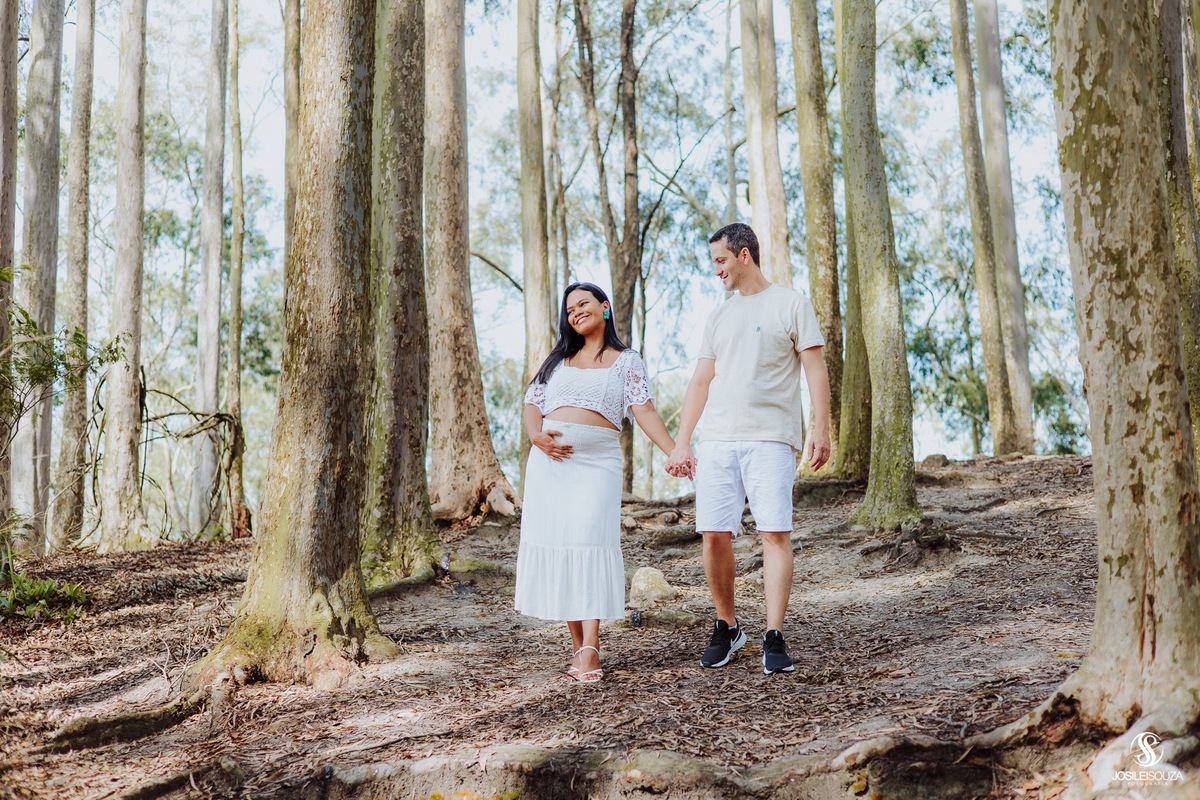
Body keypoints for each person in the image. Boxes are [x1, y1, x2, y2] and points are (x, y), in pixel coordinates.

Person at [666, 222, 831, 675]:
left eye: (720, 260)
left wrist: (822, 427)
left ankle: (773, 636)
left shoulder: (791, 303)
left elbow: (815, 369)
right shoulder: (719, 316)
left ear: (744, 255)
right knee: (714, 533)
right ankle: (728, 626)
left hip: (771, 437)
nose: (716, 270)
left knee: (774, 533)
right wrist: (683, 440)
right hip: (718, 439)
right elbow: (701, 381)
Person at [516, 282, 678, 683]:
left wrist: (676, 451)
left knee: (590, 541)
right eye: (569, 309)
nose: (575, 312)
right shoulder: (558, 360)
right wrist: (536, 436)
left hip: (597, 464)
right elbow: (532, 405)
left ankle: (592, 645)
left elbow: (645, 412)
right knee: (562, 548)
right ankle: (578, 647)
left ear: (604, 308)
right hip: (549, 467)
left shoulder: (627, 361)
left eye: (583, 304)